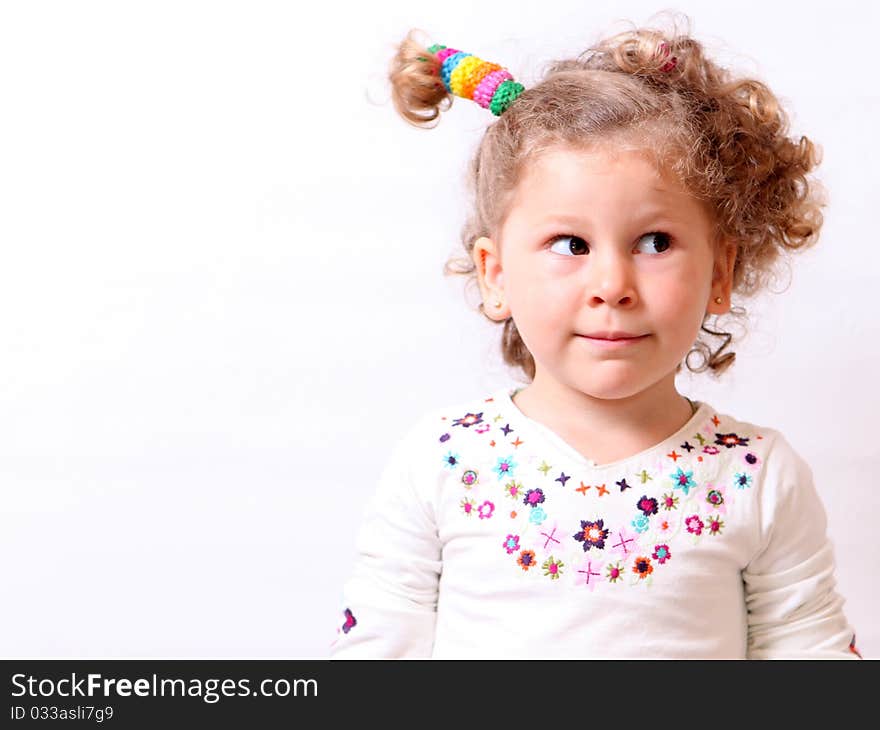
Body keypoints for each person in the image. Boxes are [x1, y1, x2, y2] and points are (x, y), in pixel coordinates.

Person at [330, 16, 862, 659]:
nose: (612, 284)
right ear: (495, 275)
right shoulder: (444, 461)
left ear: (721, 273)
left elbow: (812, 655)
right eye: (570, 244)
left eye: (655, 242)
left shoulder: (757, 477)